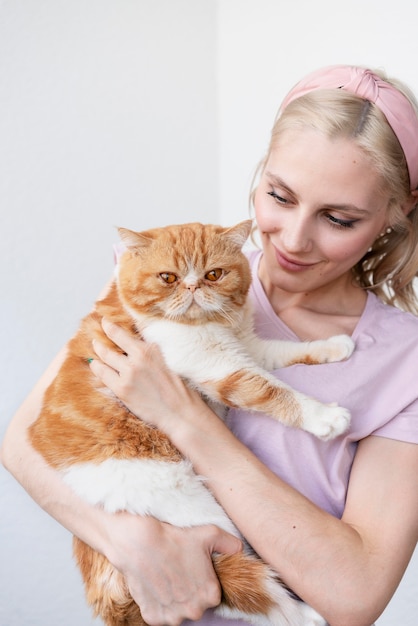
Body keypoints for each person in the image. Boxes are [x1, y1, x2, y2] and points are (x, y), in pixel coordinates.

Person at [2, 64, 418, 626]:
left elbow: (355, 596)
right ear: (261, 174)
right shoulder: (164, 275)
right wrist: (127, 543)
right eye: (279, 195)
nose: (293, 240)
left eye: (338, 218)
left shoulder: (403, 361)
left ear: (398, 214)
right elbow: (24, 445)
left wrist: (181, 418)